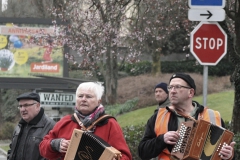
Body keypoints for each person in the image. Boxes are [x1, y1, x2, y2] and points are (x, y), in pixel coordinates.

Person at [138, 73, 235, 160]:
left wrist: (229, 155)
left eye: (177, 87)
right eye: (170, 87)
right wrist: (162, 139)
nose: (172, 91)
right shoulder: (158, 116)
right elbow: (142, 152)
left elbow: (223, 152)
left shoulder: (213, 115)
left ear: (191, 92)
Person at [39, 82, 132, 160]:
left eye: (88, 96)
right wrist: (56, 144)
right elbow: (43, 148)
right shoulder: (65, 121)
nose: (83, 99)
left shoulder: (110, 124)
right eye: (80, 96)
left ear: (98, 101)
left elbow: (126, 156)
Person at [7, 92, 56, 160]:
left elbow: (54, 156)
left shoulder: (51, 127)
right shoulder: (19, 126)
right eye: (20, 106)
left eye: (26, 105)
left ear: (37, 106)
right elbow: (11, 151)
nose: (22, 109)